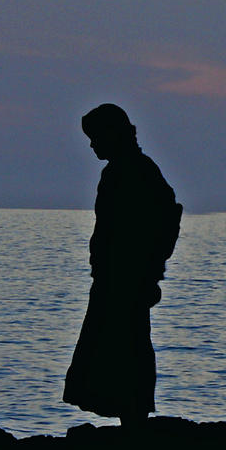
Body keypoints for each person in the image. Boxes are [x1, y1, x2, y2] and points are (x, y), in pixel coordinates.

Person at [63, 104, 182, 426]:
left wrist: (152, 271)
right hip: (115, 276)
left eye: (95, 138)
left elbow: (168, 217)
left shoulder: (135, 170)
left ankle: (133, 417)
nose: (92, 145)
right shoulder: (124, 170)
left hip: (127, 276)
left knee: (126, 342)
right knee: (116, 343)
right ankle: (128, 416)